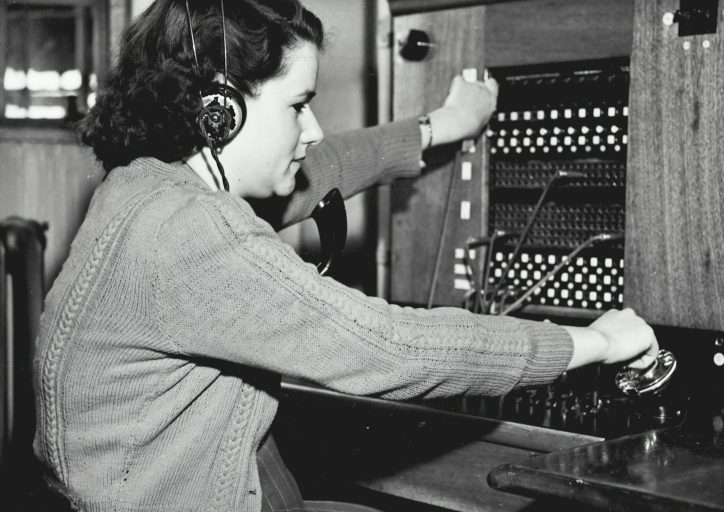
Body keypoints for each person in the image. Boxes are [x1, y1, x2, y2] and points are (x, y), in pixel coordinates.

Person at [32, 1, 659, 511]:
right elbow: (389, 347)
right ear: (218, 109)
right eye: (298, 105)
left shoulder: (145, 184)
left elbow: (325, 168)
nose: (313, 130)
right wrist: (590, 344)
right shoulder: (186, 232)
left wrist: (440, 125)